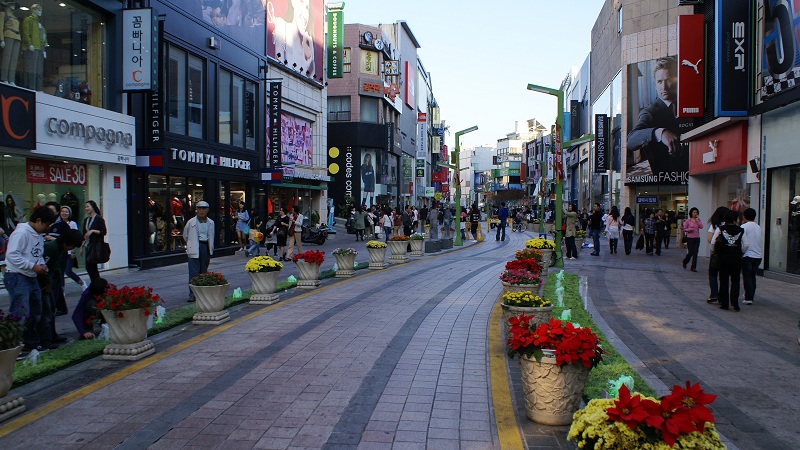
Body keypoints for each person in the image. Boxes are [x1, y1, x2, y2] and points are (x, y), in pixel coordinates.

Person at [4, 206, 56, 354]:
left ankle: (31, 343)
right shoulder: (21, 233)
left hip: (31, 276)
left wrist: (41, 264)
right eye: (46, 225)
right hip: (16, 275)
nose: (47, 228)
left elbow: (37, 254)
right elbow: (12, 256)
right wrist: (32, 266)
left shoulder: (38, 235)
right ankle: (15, 345)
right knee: (21, 311)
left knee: (35, 311)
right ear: (38, 220)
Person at [626, 57, 685, 177]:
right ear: (654, 85)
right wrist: (659, 133)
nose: (664, 87)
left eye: (668, 80)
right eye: (659, 82)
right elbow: (631, 140)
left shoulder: (687, 105)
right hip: (665, 177)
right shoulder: (650, 112)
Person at [38, 229, 83, 349]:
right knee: (46, 311)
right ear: (66, 243)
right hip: (45, 284)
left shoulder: (59, 249)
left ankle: (52, 335)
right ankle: (46, 340)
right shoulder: (52, 248)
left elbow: (56, 267)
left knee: (51, 310)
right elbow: (44, 267)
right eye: (72, 246)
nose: (71, 248)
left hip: (53, 282)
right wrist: (47, 283)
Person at [268, 0, 316, 77]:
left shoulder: (308, 46)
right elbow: (278, 65)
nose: (305, 15)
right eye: (302, 3)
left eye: (307, 8)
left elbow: (312, 82)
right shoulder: (282, 26)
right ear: (293, 2)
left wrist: (310, 60)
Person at [710, 210, 743, 311]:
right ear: (736, 219)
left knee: (724, 280)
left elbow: (713, 242)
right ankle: (735, 303)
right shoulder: (741, 230)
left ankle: (724, 303)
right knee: (735, 281)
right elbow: (746, 245)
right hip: (736, 258)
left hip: (723, 258)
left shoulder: (721, 229)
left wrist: (714, 252)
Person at [184, 201, 215, 302]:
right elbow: (185, 235)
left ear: (207, 210)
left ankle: (202, 292)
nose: (202, 211)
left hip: (205, 247)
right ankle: (192, 293)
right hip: (194, 247)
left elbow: (212, 236)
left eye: (204, 208)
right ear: (196, 209)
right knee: (194, 272)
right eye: (200, 208)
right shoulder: (191, 222)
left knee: (203, 271)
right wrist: (191, 244)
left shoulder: (211, 222)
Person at [706, 206, 729, 304]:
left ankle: (714, 294)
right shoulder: (730, 225)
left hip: (716, 253)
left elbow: (709, 239)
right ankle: (723, 296)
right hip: (728, 253)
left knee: (713, 274)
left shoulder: (714, 225)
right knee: (724, 276)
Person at [740, 208, 763, 305]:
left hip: (747, 254)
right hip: (758, 255)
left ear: (744, 216)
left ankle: (748, 296)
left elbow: (743, 242)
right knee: (752, 276)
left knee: (747, 276)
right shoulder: (758, 227)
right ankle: (751, 295)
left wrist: (742, 252)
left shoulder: (744, 227)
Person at [21, 3, 46, 91]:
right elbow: (26, 32)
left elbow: (43, 35)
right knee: (32, 69)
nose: (40, 12)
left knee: (39, 70)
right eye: (39, 10)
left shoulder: (39, 23)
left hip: (40, 48)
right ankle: (32, 87)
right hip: (33, 48)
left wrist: (45, 44)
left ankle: (39, 88)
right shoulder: (28, 20)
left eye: (41, 10)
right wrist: (29, 43)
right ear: (33, 10)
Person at [82, 200, 107, 282]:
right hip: (88, 245)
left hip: (96, 246)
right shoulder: (86, 220)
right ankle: (97, 283)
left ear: (93, 207)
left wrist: (93, 231)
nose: (86, 208)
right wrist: (82, 246)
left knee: (91, 266)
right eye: (85, 207)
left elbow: (104, 232)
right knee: (90, 267)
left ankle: (97, 283)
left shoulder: (99, 219)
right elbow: (84, 234)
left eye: (88, 206)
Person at [0, 1, 21, 86]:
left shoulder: (14, 17)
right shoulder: (3, 14)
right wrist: (1, 39)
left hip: (17, 37)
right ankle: (4, 78)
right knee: (7, 58)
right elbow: (0, 26)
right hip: (8, 35)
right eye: (11, 4)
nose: (13, 6)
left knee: (14, 60)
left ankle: (11, 79)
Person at [681, 207, 703, 272]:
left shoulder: (698, 220)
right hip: (690, 238)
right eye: (694, 212)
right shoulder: (688, 221)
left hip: (697, 238)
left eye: (696, 212)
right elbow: (684, 229)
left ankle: (693, 267)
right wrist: (689, 229)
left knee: (695, 253)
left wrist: (698, 221)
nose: (695, 214)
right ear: (691, 213)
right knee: (690, 252)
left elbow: (701, 227)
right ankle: (685, 261)